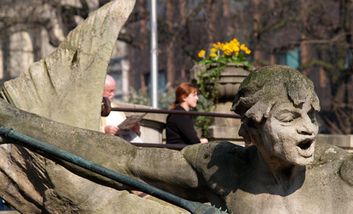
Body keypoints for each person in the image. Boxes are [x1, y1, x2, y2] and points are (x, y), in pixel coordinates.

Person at [101, 74, 142, 143]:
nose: (112, 94)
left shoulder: (117, 109)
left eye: (114, 91)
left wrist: (135, 131)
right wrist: (104, 130)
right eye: (110, 91)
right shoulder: (94, 109)